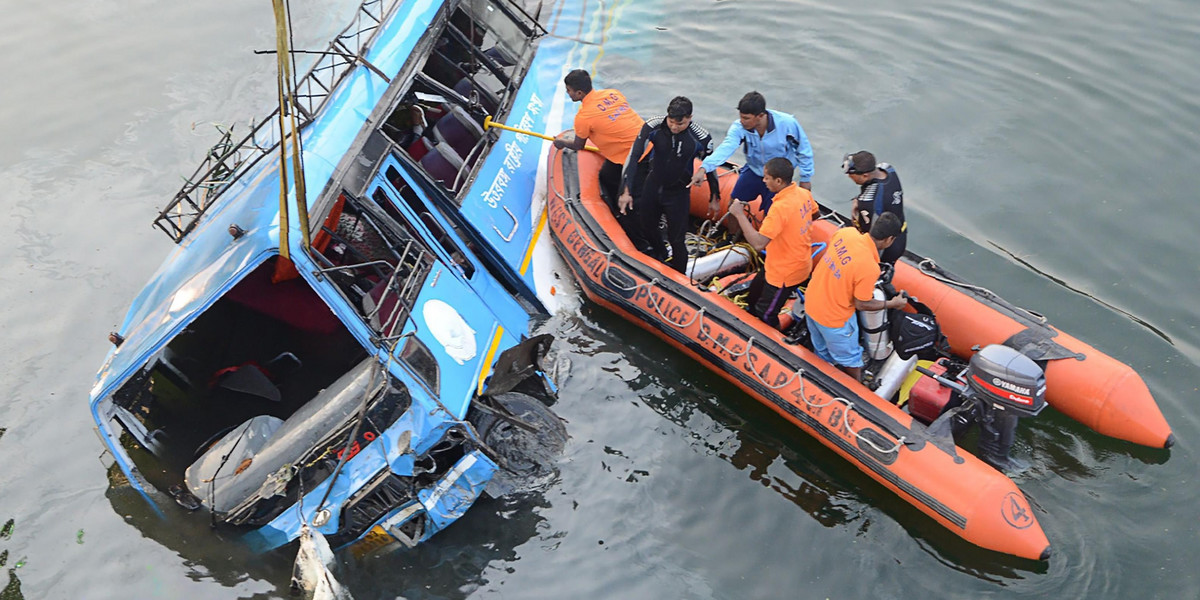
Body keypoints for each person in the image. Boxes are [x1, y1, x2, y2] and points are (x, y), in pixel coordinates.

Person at [618, 96, 720, 273]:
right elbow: (634, 156)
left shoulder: (701, 137)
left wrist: (714, 196)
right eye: (671, 121)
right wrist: (625, 189)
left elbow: (711, 167)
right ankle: (661, 255)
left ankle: (680, 275)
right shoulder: (653, 126)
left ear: (690, 118)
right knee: (647, 226)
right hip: (653, 184)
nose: (674, 127)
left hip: (678, 192)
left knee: (677, 239)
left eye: (680, 124)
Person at [804, 213, 909, 381]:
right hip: (833, 320)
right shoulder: (869, 267)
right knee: (851, 360)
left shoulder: (846, 233)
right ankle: (856, 389)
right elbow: (862, 303)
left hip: (811, 304)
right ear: (889, 239)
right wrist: (892, 303)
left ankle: (821, 375)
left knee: (821, 350)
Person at [554, 69, 647, 247]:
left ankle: (639, 240)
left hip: (632, 159)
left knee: (630, 204)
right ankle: (613, 208)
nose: (568, 93)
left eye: (569, 90)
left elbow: (578, 145)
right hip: (645, 144)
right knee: (606, 175)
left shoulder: (583, 117)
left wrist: (562, 143)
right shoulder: (613, 93)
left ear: (579, 93)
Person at [727, 157, 818, 328]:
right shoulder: (803, 194)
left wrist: (739, 214)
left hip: (786, 273)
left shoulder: (780, 208)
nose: (763, 181)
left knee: (766, 314)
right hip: (778, 263)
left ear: (778, 180)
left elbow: (759, 244)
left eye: (767, 178)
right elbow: (815, 214)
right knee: (753, 297)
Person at [690, 91, 813, 216]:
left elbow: (803, 150)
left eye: (746, 118)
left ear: (760, 116)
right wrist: (704, 168)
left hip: (778, 176)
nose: (742, 121)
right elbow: (726, 148)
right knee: (733, 205)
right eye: (741, 117)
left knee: (773, 214)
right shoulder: (739, 127)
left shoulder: (787, 124)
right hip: (754, 169)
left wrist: (805, 178)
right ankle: (732, 235)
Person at [843, 150, 907, 265]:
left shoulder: (867, 203)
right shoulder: (886, 168)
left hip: (884, 249)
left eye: (851, 174)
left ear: (865, 175)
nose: (848, 176)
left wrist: (855, 215)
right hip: (900, 234)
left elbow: (866, 236)